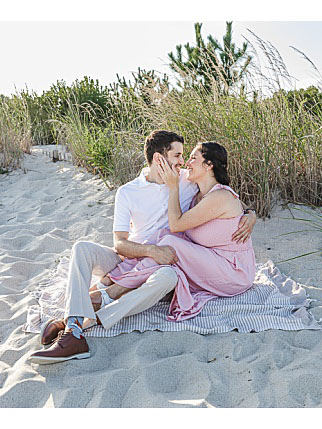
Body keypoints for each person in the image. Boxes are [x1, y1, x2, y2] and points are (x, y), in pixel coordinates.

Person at [29, 131, 257, 364]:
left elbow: (226, 200)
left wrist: (250, 214)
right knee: (82, 248)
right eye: (178, 155)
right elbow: (119, 244)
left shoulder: (186, 180)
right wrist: (149, 251)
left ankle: (85, 316)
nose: (183, 163)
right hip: (133, 258)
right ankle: (76, 325)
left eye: (187, 157)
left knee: (167, 272)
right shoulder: (129, 191)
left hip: (169, 264)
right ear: (159, 159)